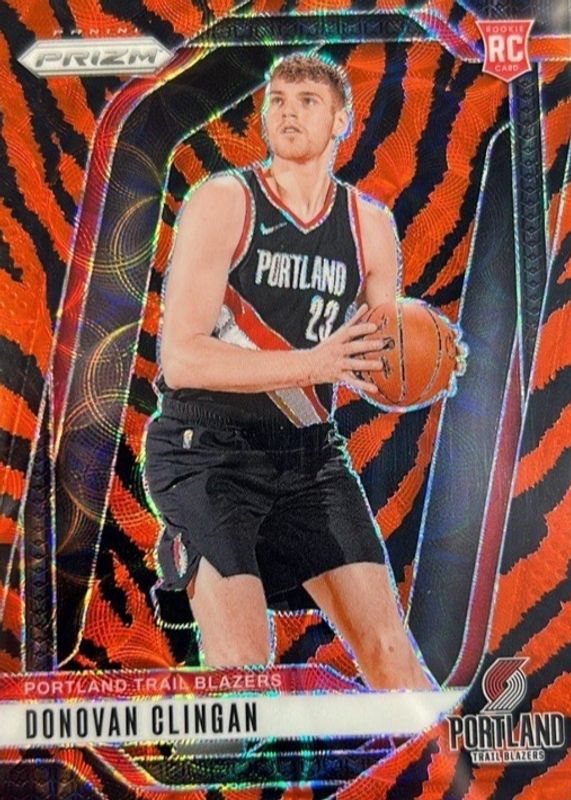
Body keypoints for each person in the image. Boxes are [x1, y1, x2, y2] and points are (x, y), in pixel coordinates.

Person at [145, 53, 434, 690]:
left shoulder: (370, 226)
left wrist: (431, 364)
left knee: (394, 657)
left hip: (308, 455)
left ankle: (432, 754)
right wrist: (315, 362)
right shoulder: (224, 200)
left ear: (341, 121)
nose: (287, 112)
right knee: (245, 671)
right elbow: (182, 357)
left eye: (307, 101)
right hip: (207, 448)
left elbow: (385, 355)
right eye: (277, 99)